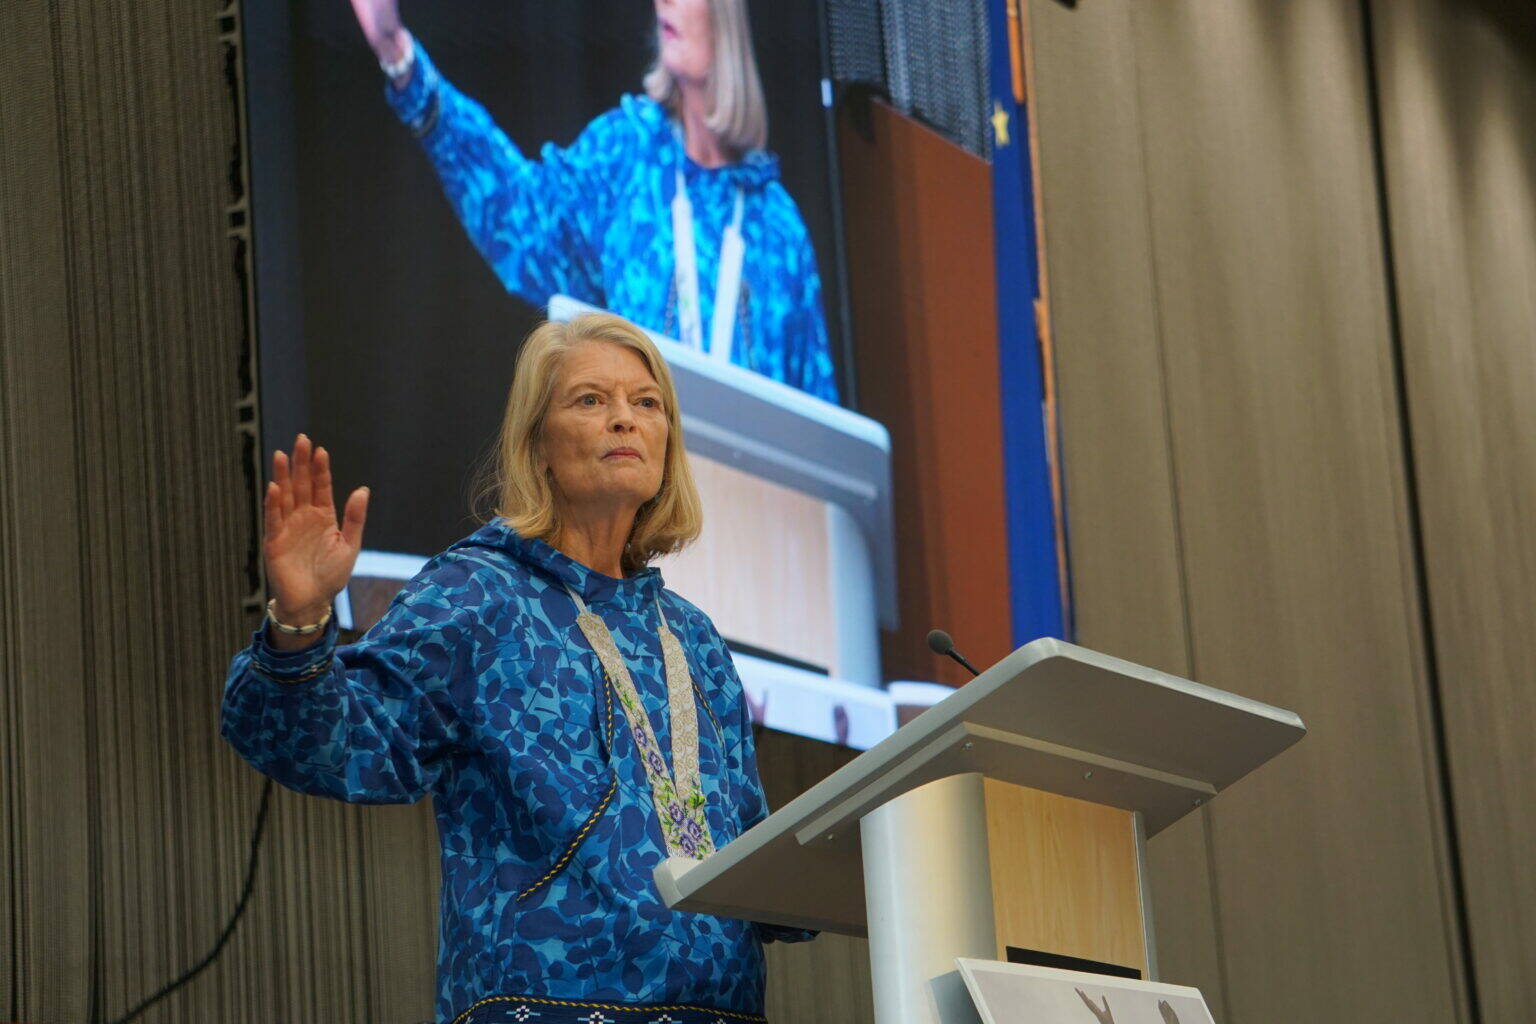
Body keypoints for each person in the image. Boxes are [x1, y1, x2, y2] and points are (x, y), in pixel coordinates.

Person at [221, 313, 814, 1024]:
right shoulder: (479, 595)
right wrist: (300, 622)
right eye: (591, 400)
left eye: (646, 403)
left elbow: (743, 845)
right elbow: (338, 741)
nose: (624, 419)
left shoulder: (694, 639)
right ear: (537, 447)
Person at [346, 0, 841, 404]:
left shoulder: (778, 229)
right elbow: (520, 217)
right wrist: (403, 63)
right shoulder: (627, 155)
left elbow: (820, 442)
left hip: (750, 518)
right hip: (636, 508)